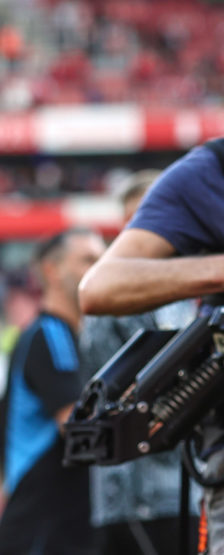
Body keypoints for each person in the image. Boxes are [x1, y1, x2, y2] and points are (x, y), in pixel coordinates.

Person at [79, 139, 224, 555]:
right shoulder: (207, 173)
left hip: (174, 484)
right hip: (142, 496)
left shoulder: (181, 301)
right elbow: (98, 406)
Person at [0, 228, 107, 555]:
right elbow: (78, 426)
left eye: (103, 260)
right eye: (87, 260)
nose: (99, 268)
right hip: (42, 529)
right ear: (51, 270)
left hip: (57, 528)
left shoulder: (71, 336)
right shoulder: (51, 334)